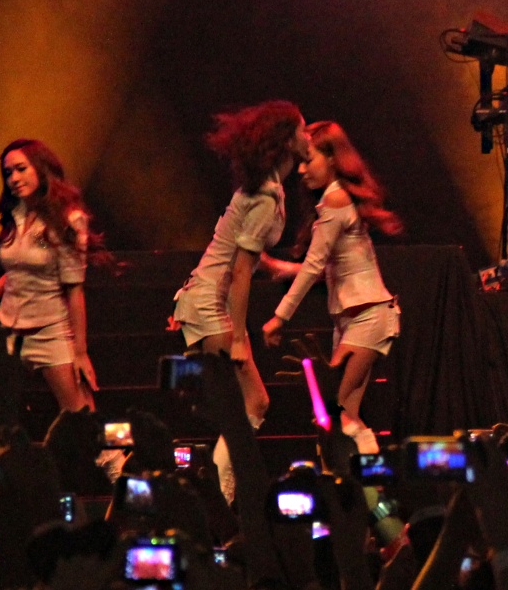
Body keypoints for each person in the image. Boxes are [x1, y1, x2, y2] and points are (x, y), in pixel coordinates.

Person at [171, 100, 308, 498]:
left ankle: (222, 494)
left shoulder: (266, 190)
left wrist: (288, 270)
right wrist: (237, 340)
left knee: (245, 407)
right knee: (252, 405)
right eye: (303, 130)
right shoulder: (265, 196)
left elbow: (245, 255)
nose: (309, 137)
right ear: (287, 141)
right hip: (210, 302)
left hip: (205, 297)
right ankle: (221, 496)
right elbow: (240, 271)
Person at [259, 120, 401, 455]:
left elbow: (314, 265)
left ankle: (366, 478)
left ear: (332, 158)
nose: (301, 170)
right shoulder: (336, 201)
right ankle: (369, 475)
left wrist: (279, 317)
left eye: (308, 160)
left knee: (335, 413)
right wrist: (280, 268)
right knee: (343, 417)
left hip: (368, 318)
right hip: (354, 320)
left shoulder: (336, 200)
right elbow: (327, 267)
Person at [0, 139, 101, 414]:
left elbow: (74, 289)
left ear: (41, 169)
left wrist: (80, 352)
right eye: (8, 173)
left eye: (21, 169)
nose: (13, 178)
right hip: (8, 330)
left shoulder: (68, 219)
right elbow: (18, 271)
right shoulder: (17, 214)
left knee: (79, 414)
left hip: (49, 331)